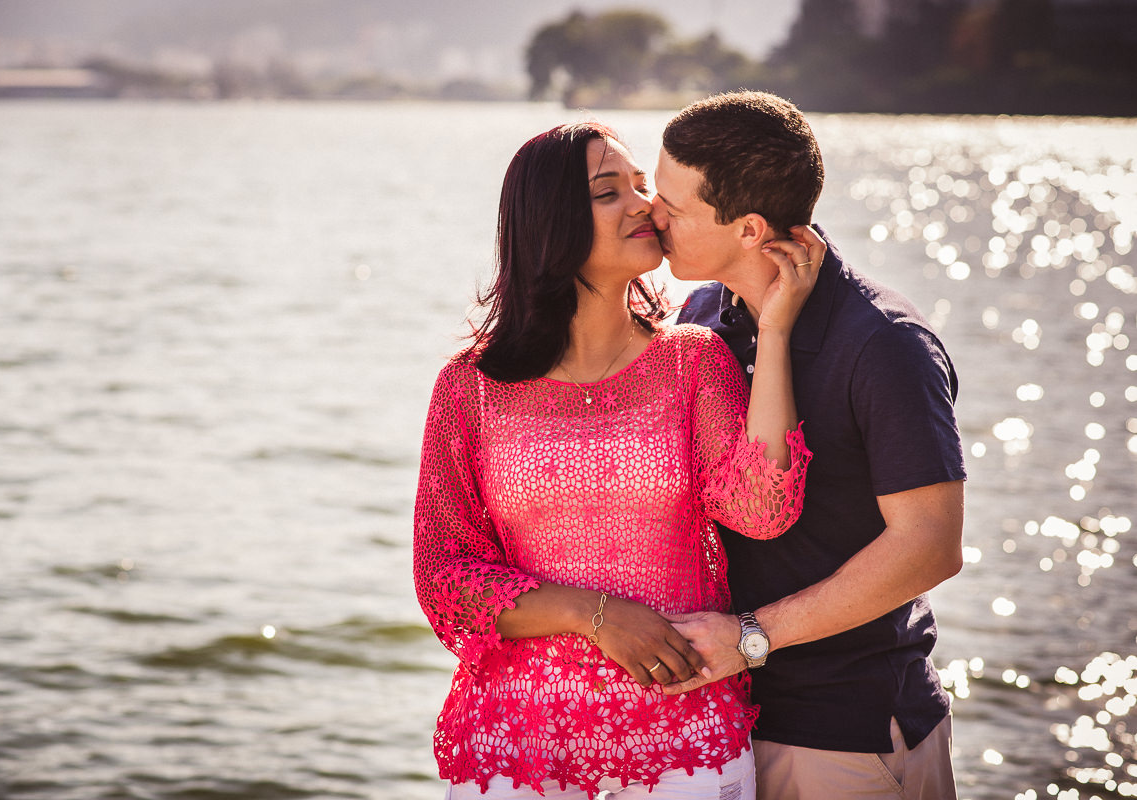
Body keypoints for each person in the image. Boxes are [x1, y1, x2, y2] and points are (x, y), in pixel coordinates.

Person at [413, 121, 823, 798]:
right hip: (522, 747)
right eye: (610, 191)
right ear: (549, 224)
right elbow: (445, 579)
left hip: (682, 739)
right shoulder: (472, 387)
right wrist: (593, 613)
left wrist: (774, 329)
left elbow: (763, 510)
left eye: (641, 186)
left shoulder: (693, 361)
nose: (643, 204)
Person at [650, 91, 966, 799]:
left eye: (673, 205)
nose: (651, 213)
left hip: (844, 733)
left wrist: (751, 637)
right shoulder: (702, 317)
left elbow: (930, 545)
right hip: (720, 723)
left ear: (748, 228)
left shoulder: (885, 345)